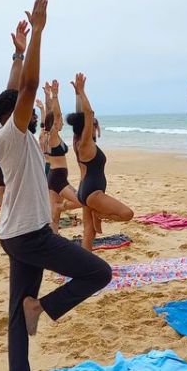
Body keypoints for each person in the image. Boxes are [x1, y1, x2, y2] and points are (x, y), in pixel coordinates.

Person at [0, 0, 112, 371]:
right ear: (15, 114)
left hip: (16, 233)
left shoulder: (9, 133)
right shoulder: (11, 134)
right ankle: (44, 306)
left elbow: (15, 90)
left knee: (17, 315)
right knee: (98, 272)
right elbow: (25, 91)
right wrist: (40, 33)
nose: (28, 106)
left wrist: (18, 54)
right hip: (30, 235)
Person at [67, 73, 134, 250]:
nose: (95, 127)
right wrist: (82, 92)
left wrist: (77, 95)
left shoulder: (77, 142)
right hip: (92, 193)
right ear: (90, 127)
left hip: (85, 190)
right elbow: (88, 113)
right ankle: (99, 214)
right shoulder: (86, 142)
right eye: (94, 125)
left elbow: (81, 116)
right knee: (127, 214)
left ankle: (85, 262)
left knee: (89, 232)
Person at [43, 80, 82, 233]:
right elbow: (56, 115)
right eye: (59, 122)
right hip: (58, 178)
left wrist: (47, 99)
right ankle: (61, 207)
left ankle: (53, 238)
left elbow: (51, 115)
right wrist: (55, 96)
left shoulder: (50, 136)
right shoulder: (52, 136)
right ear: (55, 123)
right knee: (81, 200)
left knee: (54, 215)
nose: (62, 124)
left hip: (54, 176)